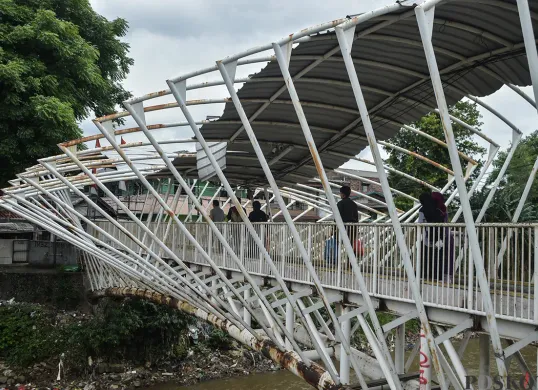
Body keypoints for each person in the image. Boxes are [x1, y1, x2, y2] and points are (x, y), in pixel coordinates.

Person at [418, 192, 445, 281]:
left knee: (426, 257)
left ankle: (425, 275)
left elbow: (420, 223)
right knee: (437, 258)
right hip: (438, 238)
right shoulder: (438, 210)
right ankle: (438, 276)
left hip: (427, 237)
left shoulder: (422, 210)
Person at [431, 192, 454, 282]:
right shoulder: (443, 208)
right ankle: (447, 277)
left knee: (440, 257)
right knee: (448, 257)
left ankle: (441, 276)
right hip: (447, 235)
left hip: (441, 237)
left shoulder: (436, 210)